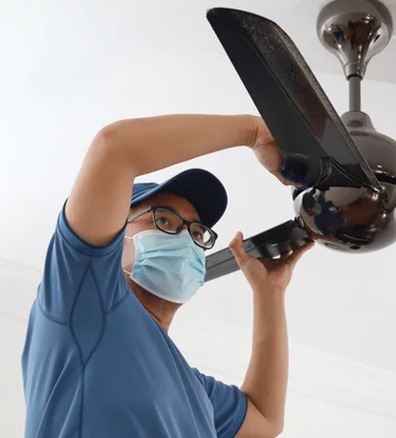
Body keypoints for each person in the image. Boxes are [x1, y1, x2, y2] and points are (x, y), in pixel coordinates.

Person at [21, 114, 314, 438]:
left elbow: (265, 419)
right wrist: (255, 131)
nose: (186, 239)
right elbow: (115, 149)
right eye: (164, 220)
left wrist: (269, 293)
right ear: (117, 238)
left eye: (198, 232)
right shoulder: (83, 301)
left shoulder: (192, 391)